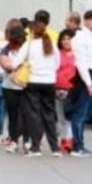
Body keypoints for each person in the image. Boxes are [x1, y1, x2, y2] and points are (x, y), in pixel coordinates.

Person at [11, 11, 59, 157]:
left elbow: (15, 63)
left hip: (32, 82)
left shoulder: (29, 45)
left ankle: (36, 147)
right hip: (49, 82)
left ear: (32, 31)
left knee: (34, 115)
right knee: (49, 115)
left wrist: (27, 65)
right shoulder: (51, 44)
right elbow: (57, 64)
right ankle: (55, 148)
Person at [71, 10, 92, 158]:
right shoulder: (81, 38)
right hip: (87, 76)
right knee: (81, 113)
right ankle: (77, 146)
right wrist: (89, 84)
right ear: (85, 21)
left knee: (86, 113)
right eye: (91, 19)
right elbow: (81, 62)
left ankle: (80, 144)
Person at [0, 26, 28, 153]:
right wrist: (18, 66)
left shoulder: (27, 48)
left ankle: (27, 141)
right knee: (13, 116)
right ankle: (14, 140)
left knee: (26, 115)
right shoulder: (6, 50)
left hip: (25, 86)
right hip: (9, 86)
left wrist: (14, 66)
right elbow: (5, 65)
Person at [53, 28, 79, 155]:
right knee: (60, 116)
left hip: (73, 89)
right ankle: (64, 139)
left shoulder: (78, 53)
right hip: (58, 88)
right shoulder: (57, 54)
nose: (66, 41)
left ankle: (70, 139)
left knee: (71, 116)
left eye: (69, 39)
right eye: (63, 39)